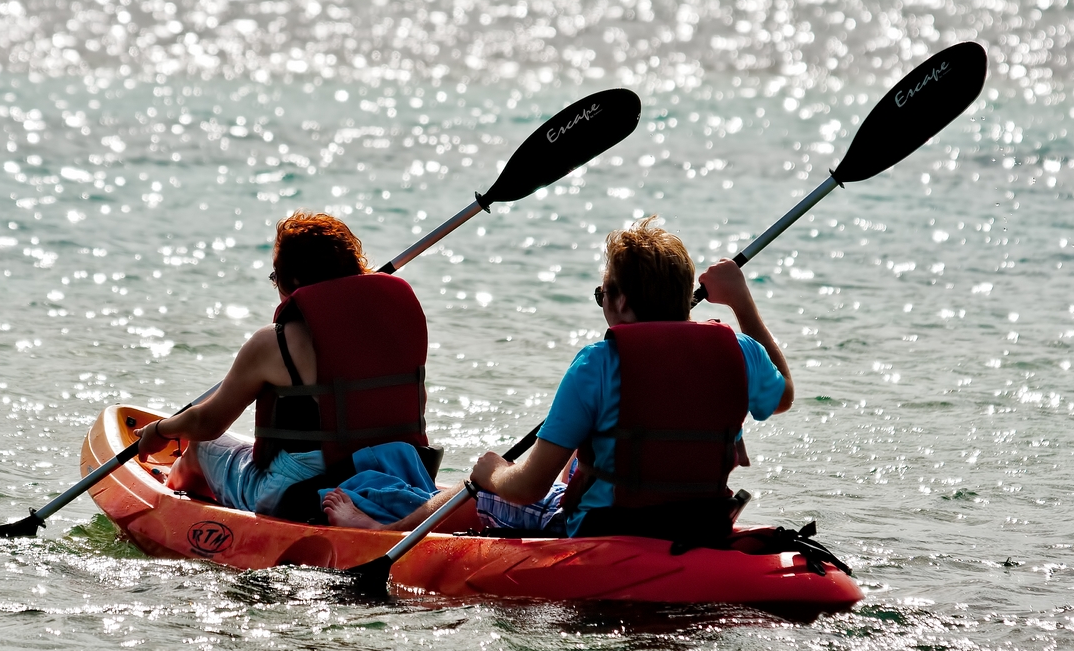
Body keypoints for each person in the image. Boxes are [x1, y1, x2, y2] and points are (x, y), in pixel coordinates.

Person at [323, 216, 792, 543]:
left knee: (486, 490)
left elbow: (526, 486)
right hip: (698, 521)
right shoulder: (741, 351)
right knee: (568, 474)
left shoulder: (597, 364)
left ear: (622, 303)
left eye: (601, 294)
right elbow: (784, 396)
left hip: (604, 526)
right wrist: (740, 303)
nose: (603, 304)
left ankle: (378, 533)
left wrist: (490, 473)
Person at [135, 211, 433, 522]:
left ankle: (178, 513)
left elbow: (208, 423)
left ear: (291, 281)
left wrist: (160, 430)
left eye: (275, 277)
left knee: (200, 448)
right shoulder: (391, 333)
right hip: (391, 471)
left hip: (297, 489)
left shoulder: (273, 342)